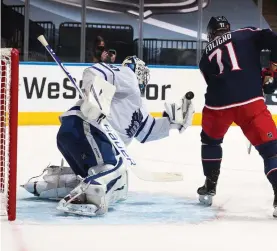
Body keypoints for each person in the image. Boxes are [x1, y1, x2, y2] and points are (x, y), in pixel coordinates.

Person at [21, 56, 194, 216]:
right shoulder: (128, 76)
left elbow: (146, 132)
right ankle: (89, 197)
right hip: (86, 129)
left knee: (108, 175)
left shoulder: (139, 108)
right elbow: (95, 71)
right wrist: (93, 97)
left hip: (77, 135)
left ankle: (56, 184)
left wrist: (173, 122)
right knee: (115, 171)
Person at [197, 16, 277, 219]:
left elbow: (223, 80)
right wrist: (273, 68)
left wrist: (260, 78)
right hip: (249, 102)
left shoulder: (205, 56)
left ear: (211, 33)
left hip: (217, 105)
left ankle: (209, 186)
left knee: (210, 142)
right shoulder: (246, 33)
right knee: (271, 149)